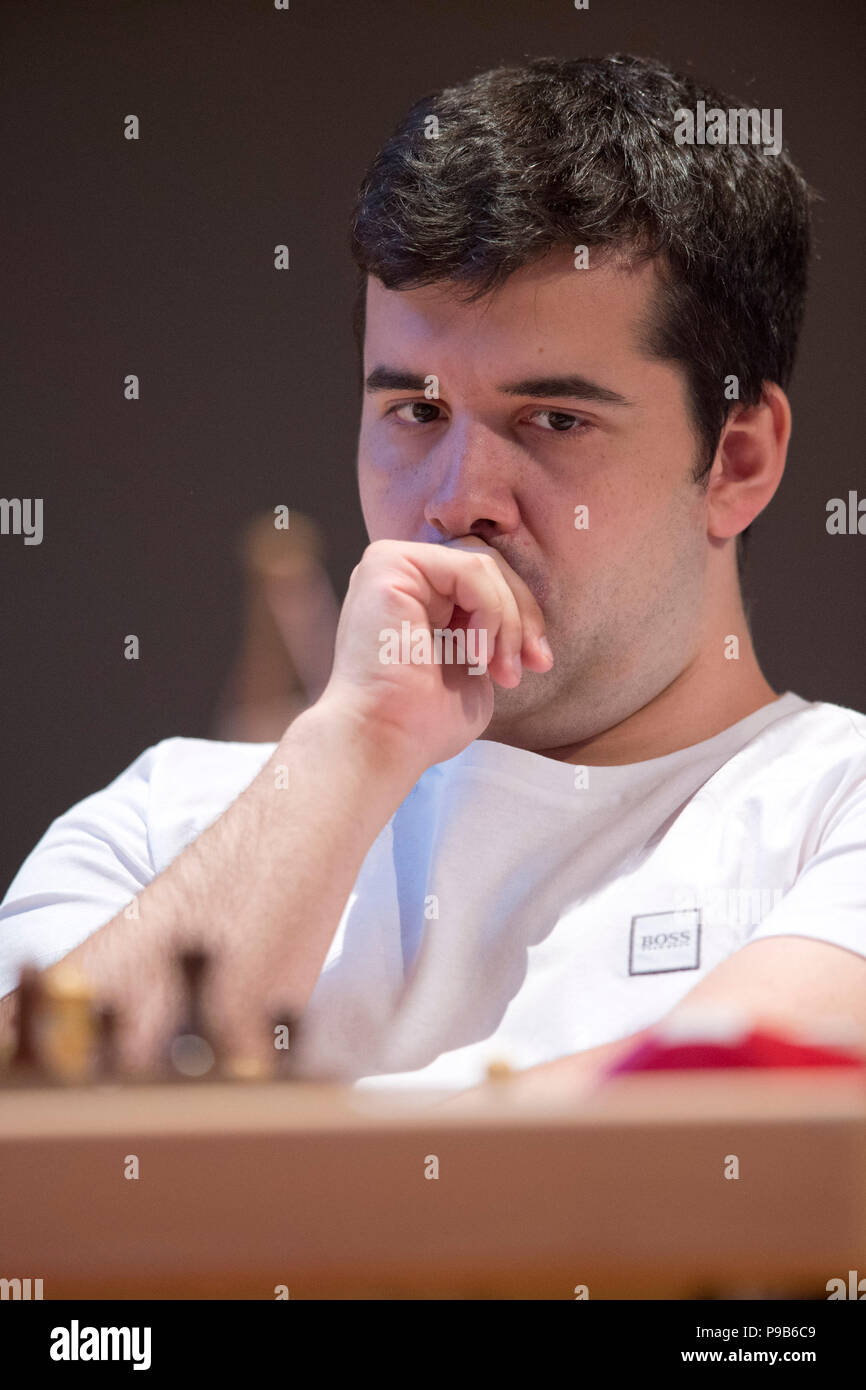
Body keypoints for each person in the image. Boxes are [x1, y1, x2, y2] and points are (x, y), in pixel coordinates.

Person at [1, 55, 864, 1095]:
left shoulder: (831, 808)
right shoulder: (165, 816)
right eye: (415, 412)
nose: (459, 498)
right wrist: (355, 744)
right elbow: (34, 1171)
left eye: (553, 419)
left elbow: (699, 1146)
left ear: (735, 460)